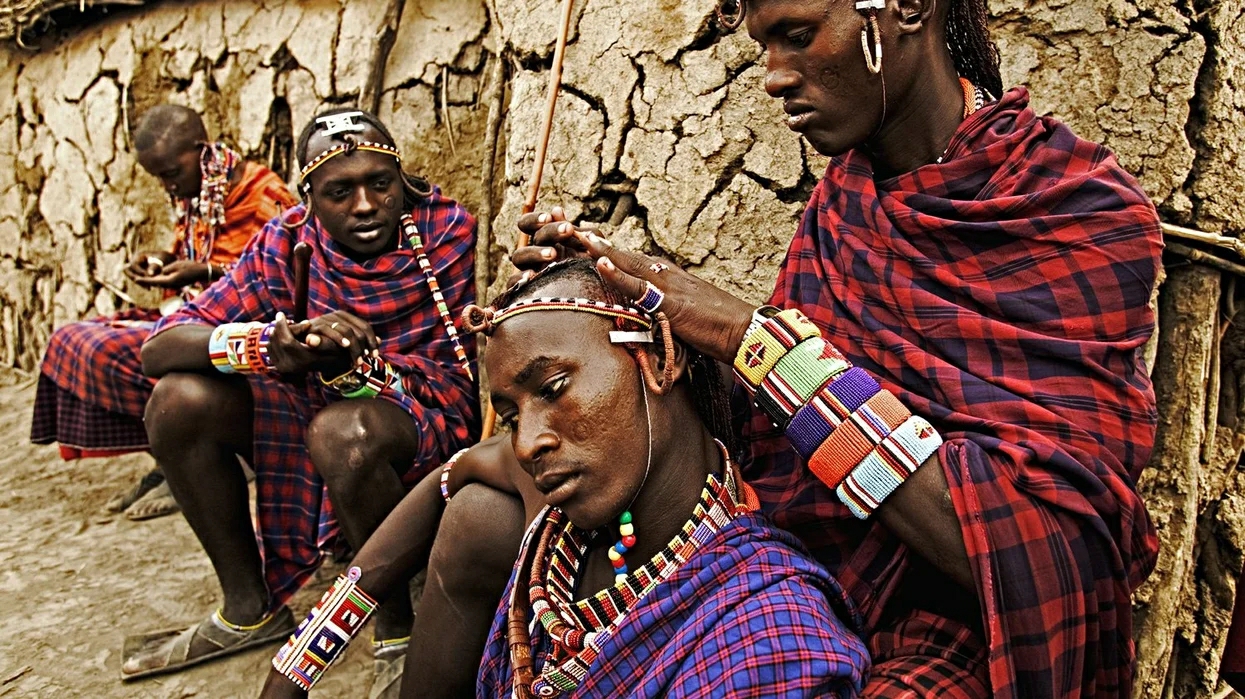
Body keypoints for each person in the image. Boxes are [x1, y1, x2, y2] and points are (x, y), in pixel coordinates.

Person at [412, 0, 1167, 695]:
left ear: (906, 7)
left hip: (952, 626)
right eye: (763, 45)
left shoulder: (1078, 211)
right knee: (482, 514)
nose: (772, 76)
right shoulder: (847, 197)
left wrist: (746, 337)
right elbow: (780, 415)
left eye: (797, 35)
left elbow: (1029, 547)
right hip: (793, 550)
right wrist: (604, 304)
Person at [257, 258, 870, 698]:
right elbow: (452, 475)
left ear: (656, 359)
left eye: (552, 390)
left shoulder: (766, 637)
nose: (526, 443)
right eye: (513, 410)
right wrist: (296, 665)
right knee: (475, 511)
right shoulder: (573, 511)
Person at [118, 108, 479, 689]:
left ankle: (397, 627)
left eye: (380, 184)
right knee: (177, 399)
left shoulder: (446, 231)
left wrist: (364, 363)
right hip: (311, 411)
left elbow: (449, 372)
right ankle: (248, 609)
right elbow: (159, 347)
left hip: (424, 416)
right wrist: (266, 344)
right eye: (340, 191)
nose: (365, 205)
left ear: (402, 181)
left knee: (345, 434)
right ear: (308, 197)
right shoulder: (286, 243)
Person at [29, 104, 297, 521]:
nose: (168, 185)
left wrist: (207, 271)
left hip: (238, 334)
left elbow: (285, 280)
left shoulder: (262, 194)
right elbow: (191, 260)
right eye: (160, 178)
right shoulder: (196, 197)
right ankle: (171, 457)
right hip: (192, 315)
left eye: (172, 172)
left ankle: (204, 459)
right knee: (71, 339)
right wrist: (163, 264)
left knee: (114, 351)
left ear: (200, 149)